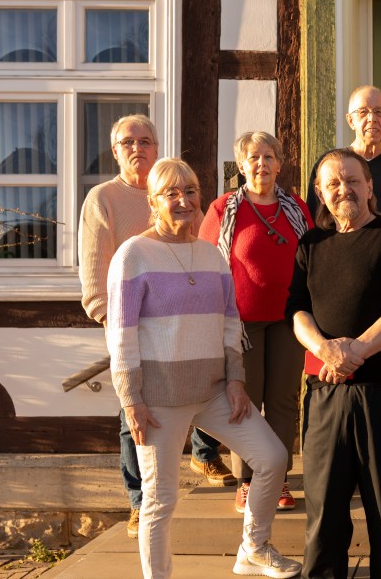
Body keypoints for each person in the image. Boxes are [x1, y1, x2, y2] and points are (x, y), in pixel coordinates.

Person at [106, 158, 300, 579]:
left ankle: (253, 548)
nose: (183, 200)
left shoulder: (211, 254)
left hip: (213, 391)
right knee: (161, 500)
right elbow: (121, 335)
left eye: (190, 191)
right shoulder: (134, 255)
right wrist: (131, 400)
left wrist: (236, 379)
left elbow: (231, 323)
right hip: (159, 399)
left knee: (272, 457)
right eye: (171, 193)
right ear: (153, 202)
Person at [78, 114, 233, 540]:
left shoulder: (173, 190)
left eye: (145, 140)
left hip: (180, 312)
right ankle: (138, 501)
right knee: (136, 411)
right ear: (115, 150)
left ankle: (204, 454)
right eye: (128, 142)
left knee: (201, 378)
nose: (137, 148)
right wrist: (113, 322)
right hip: (132, 319)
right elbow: (94, 267)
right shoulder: (103, 198)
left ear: (156, 145)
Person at [287, 149, 381, 579]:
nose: (344, 189)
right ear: (320, 192)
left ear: (370, 186)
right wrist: (326, 349)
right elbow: (296, 309)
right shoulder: (311, 244)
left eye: (353, 180)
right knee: (324, 514)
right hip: (325, 395)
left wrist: (354, 353)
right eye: (333, 183)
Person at [199, 131, 313, 514]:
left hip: (288, 320)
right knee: (245, 403)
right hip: (241, 324)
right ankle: (248, 482)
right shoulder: (222, 209)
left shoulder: (297, 208)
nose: (261, 164)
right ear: (242, 166)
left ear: (279, 164)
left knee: (282, 401)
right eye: (253, 157)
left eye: (268, 157)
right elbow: (205, 264)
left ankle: (278, 478)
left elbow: (312, 259)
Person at [306, 85, 381, 221]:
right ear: (350, 120)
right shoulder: (330, 165)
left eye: (379, 112)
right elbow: (313, 218)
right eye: (363, 112)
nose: (372, 118)